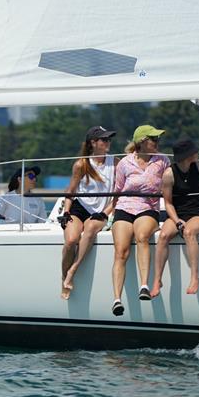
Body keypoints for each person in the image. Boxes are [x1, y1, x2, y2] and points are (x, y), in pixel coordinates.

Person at [110, 124, 170, 316]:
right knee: (121, 250)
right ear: (143, 142)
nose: (158, 143)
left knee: (142, 236)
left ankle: (144, 286)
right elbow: (117, 190)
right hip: (124, 208)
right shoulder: (125, 163)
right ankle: (117, 299)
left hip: (148, 208)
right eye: (154, 139)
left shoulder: (162, 161)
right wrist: (107, 213)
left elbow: (170, 186)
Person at [150, 139, 199, 297]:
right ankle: (157, 280)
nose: (197, 153)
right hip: (178, 212)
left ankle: (194, 277)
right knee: (164, 235)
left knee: (188, 232)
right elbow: (168, 203)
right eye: (194, 151)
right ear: (188, 155)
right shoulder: (169, 174)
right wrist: (176, 220)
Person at [60, 126, 119, 300]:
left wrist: (106, 212)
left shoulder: (115, 163)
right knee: (71, 240)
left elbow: (118, 194)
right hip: (80, 207)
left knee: (91, 228)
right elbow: (70, 191)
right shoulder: (81, 164)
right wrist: (66, 211)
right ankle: (64, 278)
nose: (108, 142)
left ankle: (73, 270)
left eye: (109, 139)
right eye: (104, 139)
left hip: (102, 211)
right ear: (93, 143)